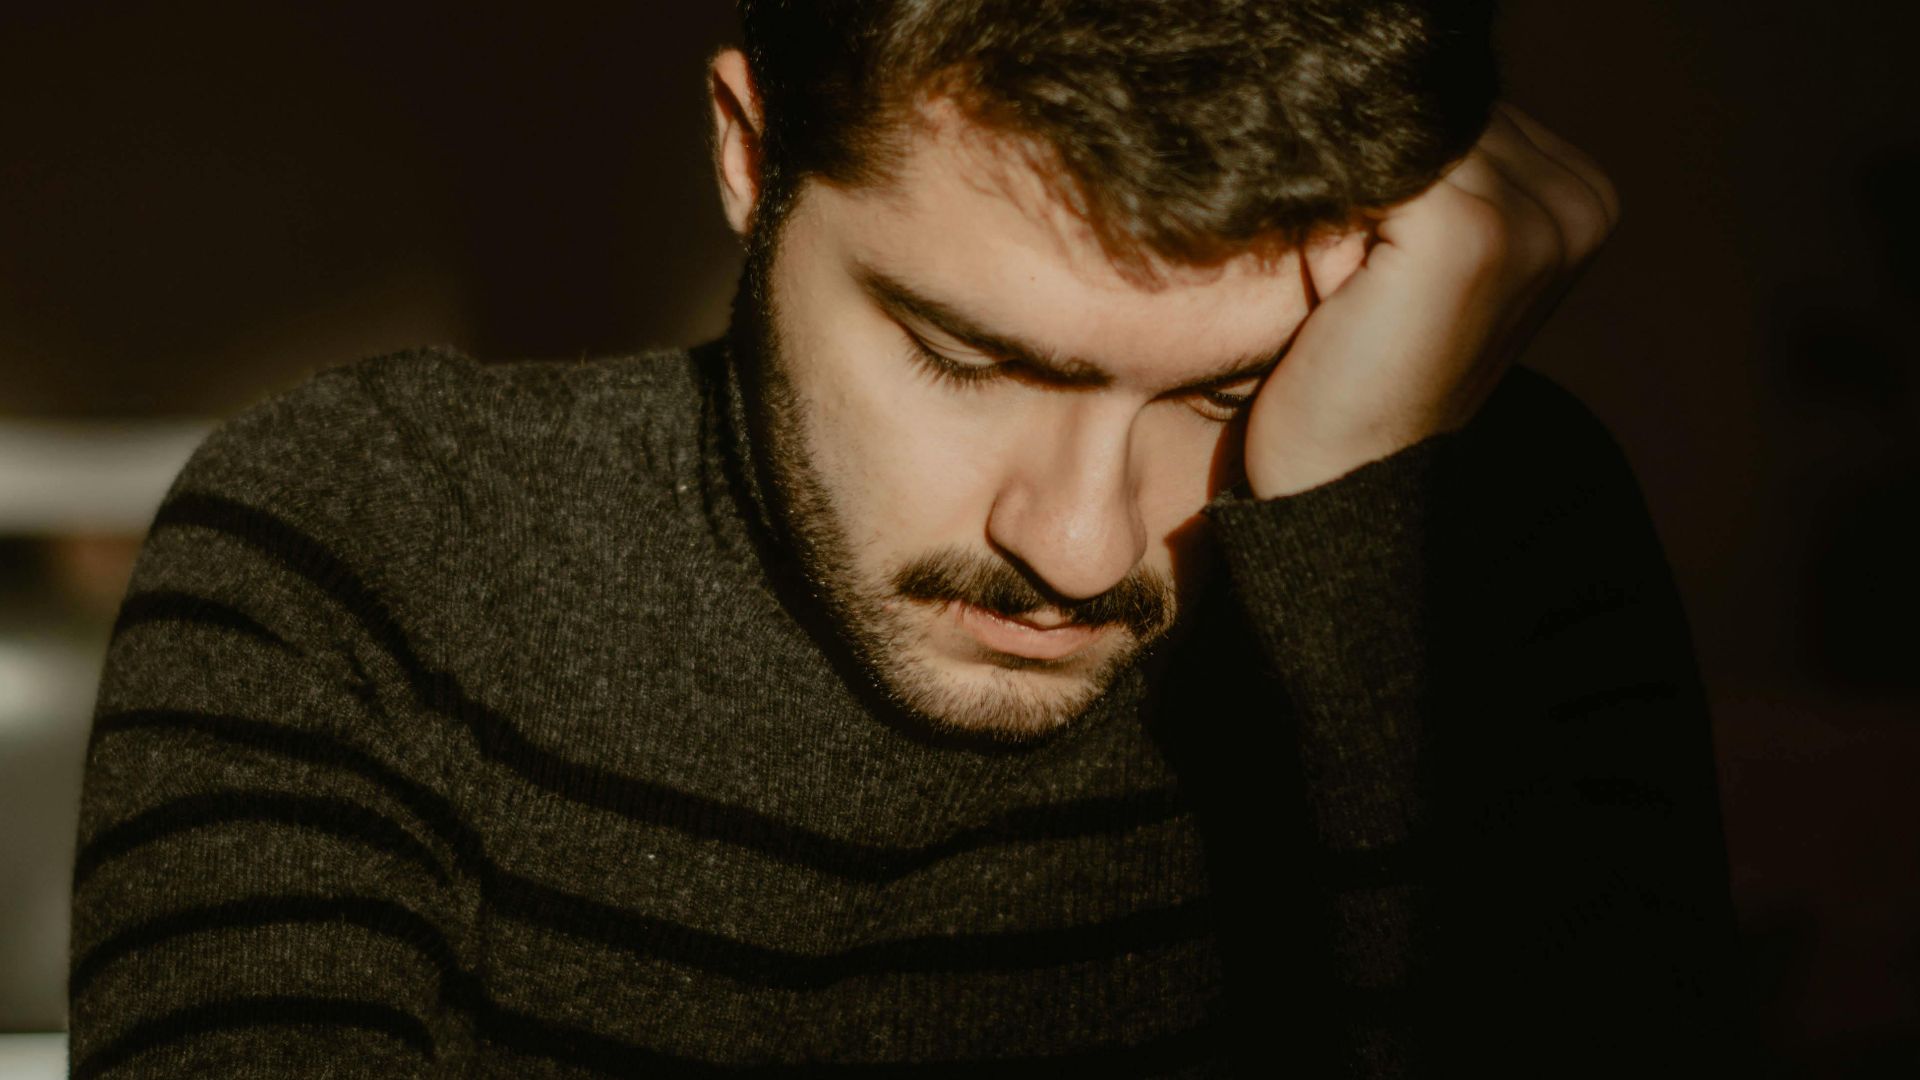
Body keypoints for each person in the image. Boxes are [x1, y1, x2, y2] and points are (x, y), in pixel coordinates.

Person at [68, 1, 1741, 1075]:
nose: (1084, 547)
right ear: (752, 154)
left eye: (1234, 393)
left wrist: (1375, 533)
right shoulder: (374, 540)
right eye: (967, 356)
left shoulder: (1481, 534)